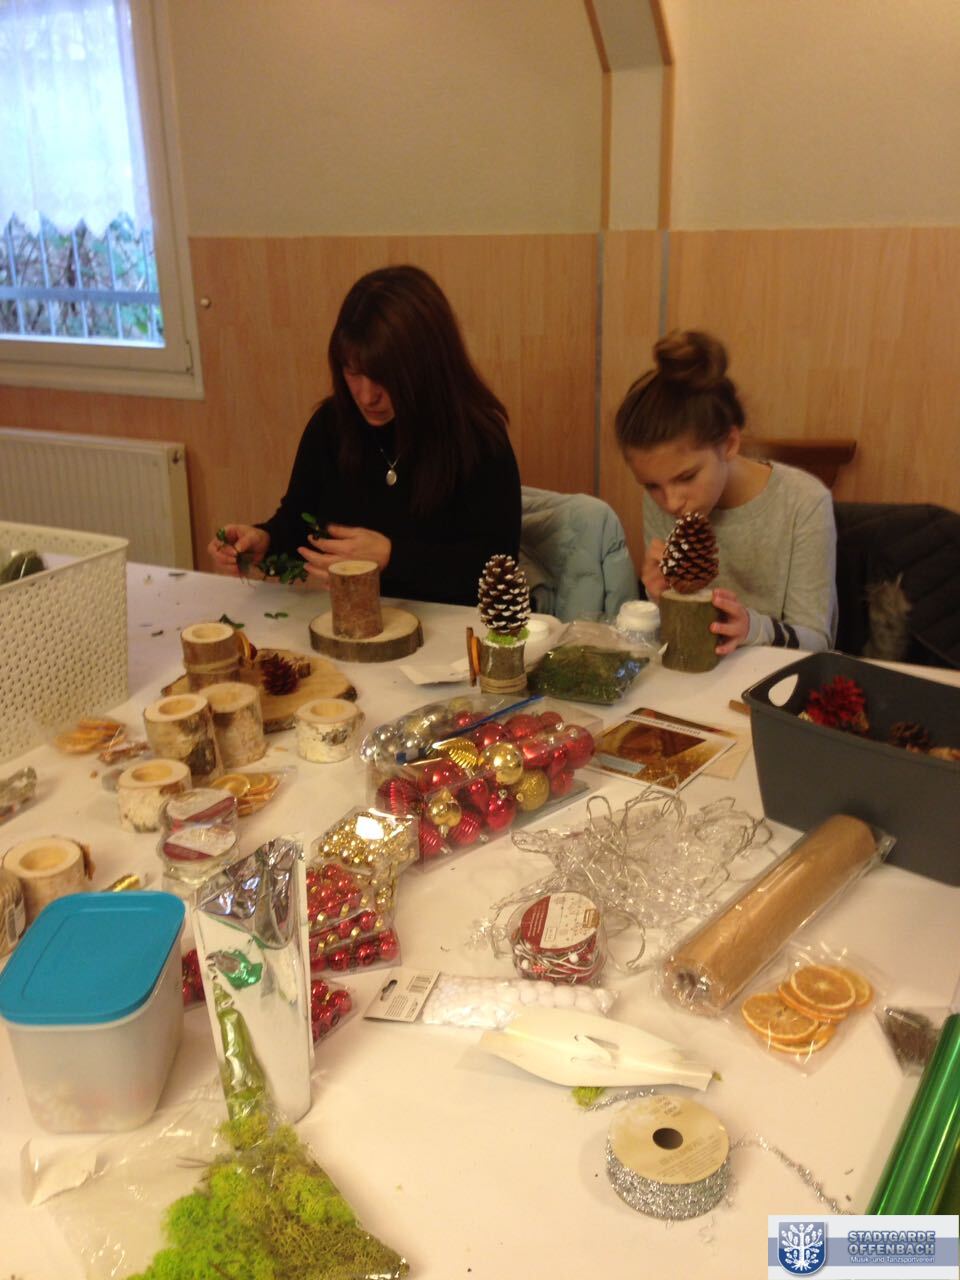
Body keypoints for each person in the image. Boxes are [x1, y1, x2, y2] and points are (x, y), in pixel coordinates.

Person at [208, 265, 521, 607]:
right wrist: (264, 540)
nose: (367, 396)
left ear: (425, 367)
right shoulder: (331, 425)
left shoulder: (478, 438)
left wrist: (392, 557)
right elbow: (301, 523)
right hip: (355, 616)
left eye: (384, 377)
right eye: (353, 372)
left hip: (452, 626)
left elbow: (496, 569)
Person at [614, 330, 837, 654]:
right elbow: (674, 630)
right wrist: (658, 597)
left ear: (730, 444)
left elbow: (817, 641)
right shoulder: (661, 498)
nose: (671, 502)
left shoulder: (804, 502)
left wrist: (751, 627)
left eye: (687, 477)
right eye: (651, 486)